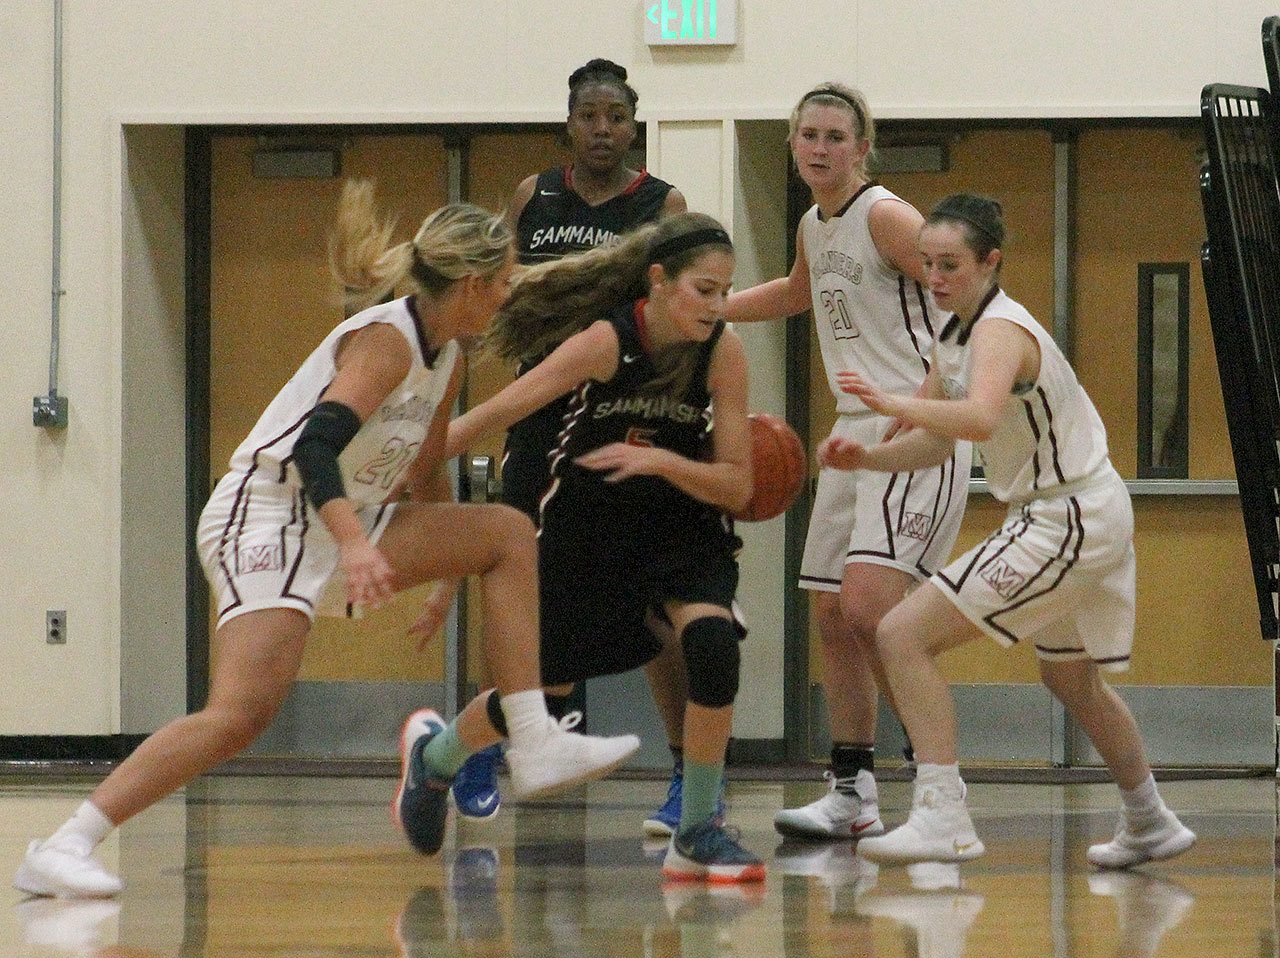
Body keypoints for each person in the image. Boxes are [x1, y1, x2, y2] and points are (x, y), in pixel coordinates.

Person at [13, 180, 639, 899]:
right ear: (470, 285)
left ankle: (532, 739)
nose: (504, 298)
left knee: (503, 532)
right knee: (240, 716)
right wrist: (357, 545)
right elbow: (316, 447)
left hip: (343, 516)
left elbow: (424, 468)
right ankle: (65, 844)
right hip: (268, 510)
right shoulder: (386, 340)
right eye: (500, 284)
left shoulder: (448, 358)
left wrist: (442, 574)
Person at [825, 192, 1196, 867]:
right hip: (1076, 514)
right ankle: (1150, 820)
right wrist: (869, 455)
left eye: (951, 265)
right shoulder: (953, 331)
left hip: (1068, 516)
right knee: (1070, 679)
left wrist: (889, 400)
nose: (935, 278)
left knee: (901, 634)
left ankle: (944, 815)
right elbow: (939, 444)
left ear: (990, 262)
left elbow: (979, 419)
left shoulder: (1001, 328)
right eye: (928, 264)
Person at [447, 212, 763, 883]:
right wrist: (412, 460)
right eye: (703, 289)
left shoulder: (724, 352)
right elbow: (499, 411)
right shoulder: (605, 342)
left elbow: (737, 485)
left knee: (712, 647)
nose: (717, 305)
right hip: (586, 522)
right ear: (658, 281)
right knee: (540, 698)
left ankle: (699, 827)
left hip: (679, 519)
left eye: (725, 291)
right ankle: (440, 756)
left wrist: (663, 465)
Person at [452, 57, 704, 839]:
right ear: (569, 123)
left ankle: (684, 775)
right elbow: (506, 292)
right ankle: (488, 744)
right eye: (590, 116)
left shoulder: (663, 204)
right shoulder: (535, 196)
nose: (603, 129)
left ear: (635, 123)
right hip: (543, 407)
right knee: (517, 579)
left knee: (659, 598)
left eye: (617, 116)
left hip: (629, 410)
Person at [723, 83, 970, 840]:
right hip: (851, 433)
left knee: (871, 608)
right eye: (808, 135)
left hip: (911, 432)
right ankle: (852, 788)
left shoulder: (888, 216)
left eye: (835, 136)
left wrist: (931, 397)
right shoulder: (811, 222)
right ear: (793, 144)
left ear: (863, 148)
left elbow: (967, 298)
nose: (820, 147)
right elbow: (800, 293)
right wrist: (715, 307)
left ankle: (940, 787)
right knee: (832, 612)